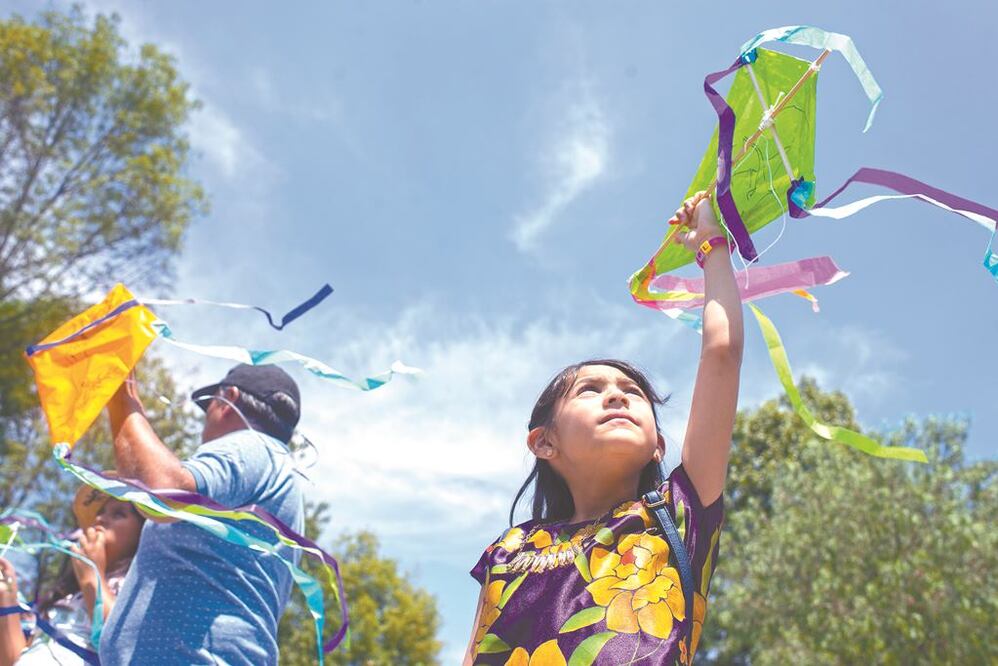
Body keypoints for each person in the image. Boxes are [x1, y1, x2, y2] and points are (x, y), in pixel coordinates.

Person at [464, 192, 743, 665]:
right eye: (590, 390)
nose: (617, 395)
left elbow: (721, 351)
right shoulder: (507, 550)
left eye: (633, 392)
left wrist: (710, 243)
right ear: (544, 441)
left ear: (658, 446)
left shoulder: (678, 514)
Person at [97, 364, 305, 665]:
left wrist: (120, 396)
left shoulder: (253, 445)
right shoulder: (275, 471)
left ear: (227, 398)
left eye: (207, 408)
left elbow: (166, 493)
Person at [0, 486, 144, 665]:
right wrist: (7, 596)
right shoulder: (65, 596)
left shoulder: (137, 589)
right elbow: (13, 660)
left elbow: (125, 645)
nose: (100, 519)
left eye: (118, 514)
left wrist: (92, 576)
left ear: (143, 534)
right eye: (100, 512)